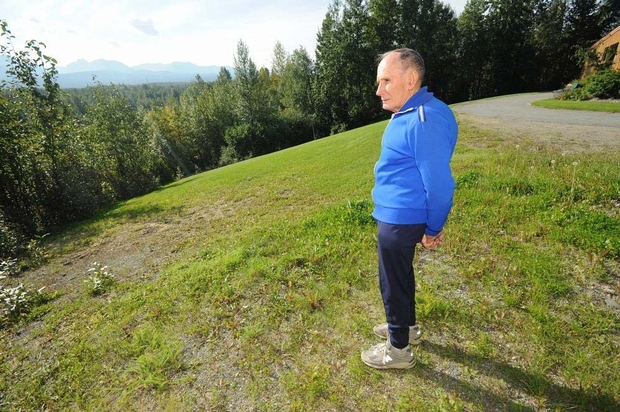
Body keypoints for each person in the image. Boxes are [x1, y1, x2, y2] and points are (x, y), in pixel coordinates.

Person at [361, 48, 458, 369]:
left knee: (392, 282)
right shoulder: (423, 109)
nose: (379, 90)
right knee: (401, 275)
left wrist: (433, 228)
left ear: (411, 80)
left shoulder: (422, 121)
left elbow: (441, 185)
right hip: (403, 214)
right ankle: (407, 327)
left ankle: (398, 350)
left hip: (400, 218)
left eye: (386, 81)